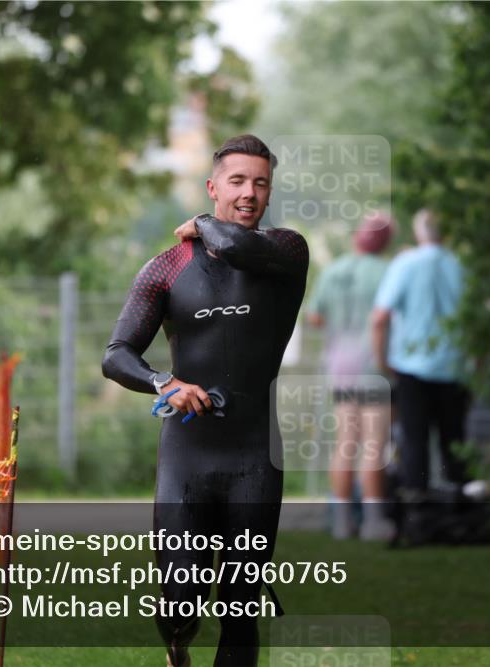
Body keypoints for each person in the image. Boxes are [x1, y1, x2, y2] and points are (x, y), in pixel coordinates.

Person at [102, 134, 309, 667]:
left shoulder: (285, 252)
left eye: (260, 183)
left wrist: (204, 224)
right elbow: (117, 354)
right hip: (187, 455)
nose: (249, 193)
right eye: (237, 181)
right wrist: (163, 383)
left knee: (241, 606)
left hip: (254, 457)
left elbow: (237, 246)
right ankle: (176, 646)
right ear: (213, 186)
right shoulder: (167, 267)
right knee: (179, 600)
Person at [306, 213, 396, 541]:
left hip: (341, 369)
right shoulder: (389, 272)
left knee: (345, 443)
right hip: (374, 368)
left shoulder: (334, 270)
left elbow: (314, 316)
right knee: (373, 444)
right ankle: (373, 522)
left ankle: (342, 522)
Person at [371, 209, 470, 500]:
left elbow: (379, 318)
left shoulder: (406, 263)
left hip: (412, 367)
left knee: (415, 442)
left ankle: (417, 508)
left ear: (418, 232)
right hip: (455, 367)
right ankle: (460, 508)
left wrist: (382, 361)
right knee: (455, 442)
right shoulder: (461, 265)